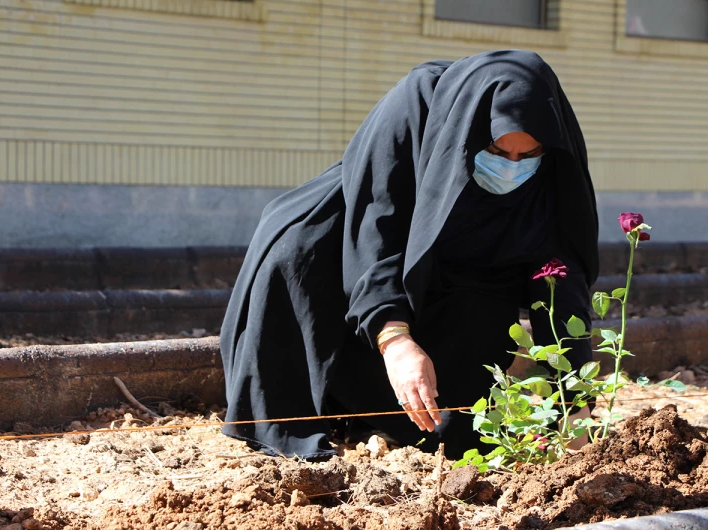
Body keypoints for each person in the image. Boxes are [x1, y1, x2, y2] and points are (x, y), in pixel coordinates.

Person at [220, 50, 599, 461]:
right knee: (293, 254)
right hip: (361, 232)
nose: (512, 168)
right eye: (496, 152)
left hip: (468, 268)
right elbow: (377, 224)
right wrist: (395, 339)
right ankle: (302, 420)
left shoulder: (555, 165)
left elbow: (562, 274)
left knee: (460, 409)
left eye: (527, 156)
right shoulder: (418, 102)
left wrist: (574, 407)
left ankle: (401, 424)